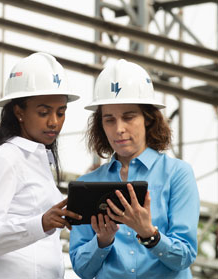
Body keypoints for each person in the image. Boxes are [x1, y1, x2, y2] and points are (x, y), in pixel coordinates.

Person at [69, 59, 200, 279]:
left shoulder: (177, 174)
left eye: (128, 117)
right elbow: (81, 268)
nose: (119, 129)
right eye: (109, 119)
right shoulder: (87, 185)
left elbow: (186, 255)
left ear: (148, 118)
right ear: (100, 124)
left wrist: (149, 233)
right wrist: (102, 241)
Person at [0, 52, 82, 279]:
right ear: (19, 111)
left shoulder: (35, 159)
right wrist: (39, 223)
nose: (54, 122)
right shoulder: (6, 159)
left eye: (61, 113)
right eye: (43, 112)